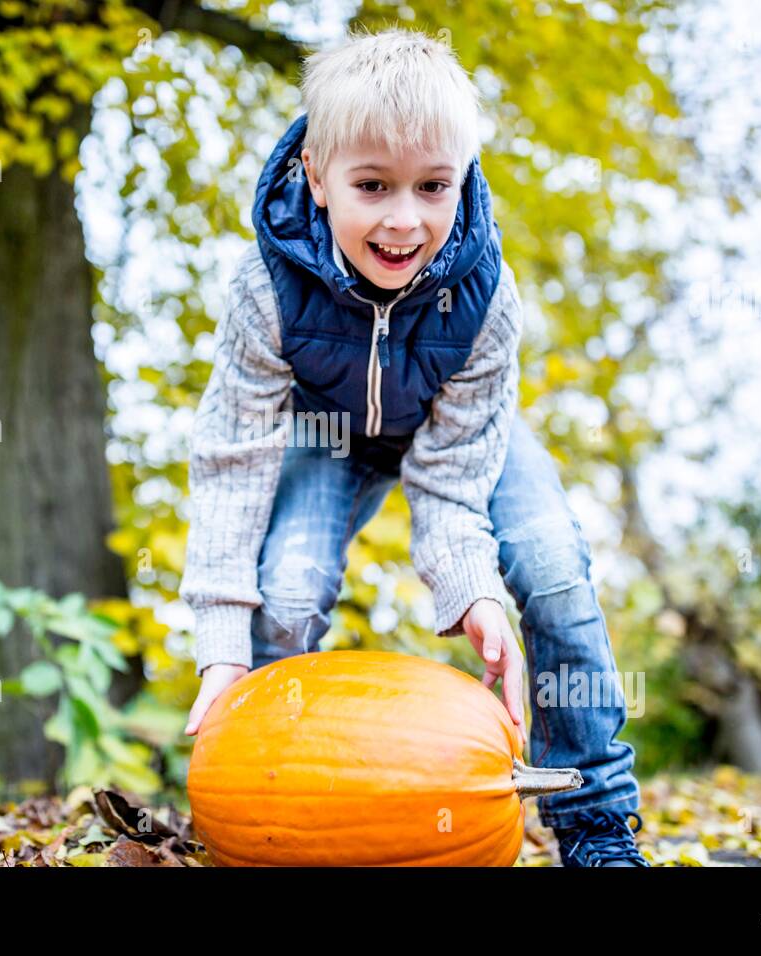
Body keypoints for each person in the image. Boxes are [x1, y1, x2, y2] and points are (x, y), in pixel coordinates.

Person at [178, 27, 648, 867]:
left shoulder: (487, 298)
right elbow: (231, 466)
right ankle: (283, 823)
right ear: (318, 179)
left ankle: (597, 824)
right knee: (285, 595)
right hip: (328, 433)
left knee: (551, 568)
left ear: (462, 176)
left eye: (434, 186)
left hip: (462, 436)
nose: (405, 220)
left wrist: (474, 596)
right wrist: (219, 649)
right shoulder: (266, 292)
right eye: (372, 185)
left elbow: (453, 477)